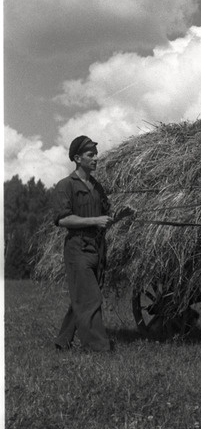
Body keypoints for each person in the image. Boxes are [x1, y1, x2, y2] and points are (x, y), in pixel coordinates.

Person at [52, 135, 115, 352]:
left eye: (96, 154)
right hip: (77, 248)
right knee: (90, 297)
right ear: (78, 158)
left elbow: (105, 217)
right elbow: (62, 219)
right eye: (91, 155)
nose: (96, 158)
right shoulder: (65, 185)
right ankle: (98, 349)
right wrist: (94, 220)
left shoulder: (96, 186)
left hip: (97, 247)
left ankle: (63, 341)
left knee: (83, 295)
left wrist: (121, 216)